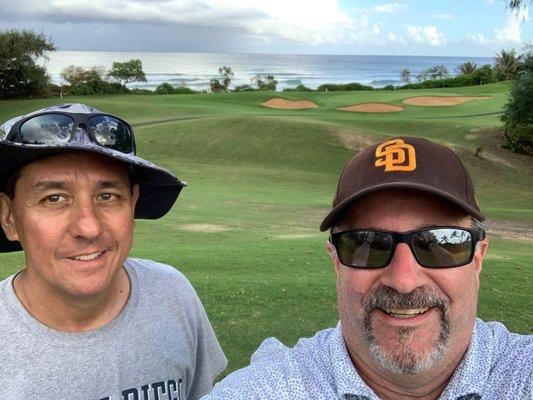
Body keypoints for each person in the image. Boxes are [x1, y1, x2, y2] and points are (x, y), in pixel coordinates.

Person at [203, 137, 532, 399]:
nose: (403, 281)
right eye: (369, 244)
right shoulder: (272, 388)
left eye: (440, 242)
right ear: (336, 260)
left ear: (478, 256)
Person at [0, 104, 227, 399]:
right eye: (53, 198)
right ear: (8, 217)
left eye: (107, 196)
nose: (89, 228)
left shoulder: (172, 294)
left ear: (132, 204)